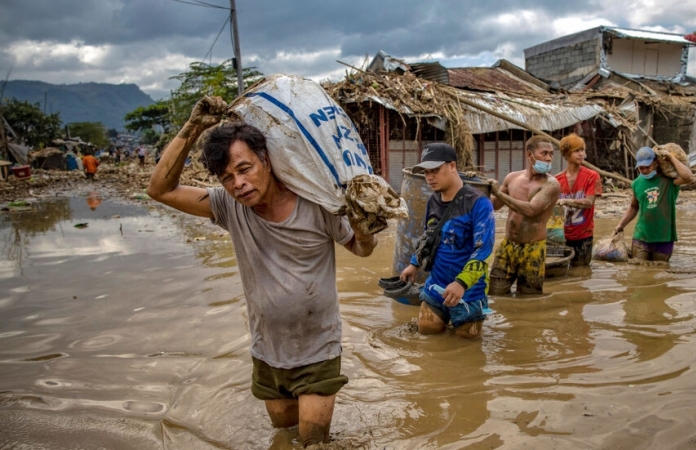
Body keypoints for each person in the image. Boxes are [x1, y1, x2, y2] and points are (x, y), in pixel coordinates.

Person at [146, 96, 378, 446]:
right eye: (227, 177)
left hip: (319, 350)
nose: (238, 183)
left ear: (266, 160)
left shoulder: (317, 204)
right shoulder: (227, 207)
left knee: (313, 442)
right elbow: (159, 190)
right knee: (283, 436)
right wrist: (193, 127)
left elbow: (362, 249)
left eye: (245, 169)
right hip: (267, 352)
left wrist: (364, 229)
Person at [399, 143, 495, 340]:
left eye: (435, 170)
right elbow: (428, 237)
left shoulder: (479, 203)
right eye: (426, 172)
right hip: (436, 287)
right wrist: (414, 264)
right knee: (427, 335)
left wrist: (461, 283)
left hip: (469, 294)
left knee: (466, 345)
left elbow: (483, 251)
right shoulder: (432, 201)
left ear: (452, 166)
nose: (429, 177)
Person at [488, 136, 561, 295]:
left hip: (533, 249)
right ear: (529, 155)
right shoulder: (512, 178)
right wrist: (481, 187)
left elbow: (531, 210)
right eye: (544, 153)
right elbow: (494, 205)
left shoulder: (552, 184)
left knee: (529, 299)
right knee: (495, 294)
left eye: (551, 154)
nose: (549, 158)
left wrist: (498, 193)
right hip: (508, 245)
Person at [613, 146, 693, 262]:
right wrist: (620, 225)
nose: (645, 170)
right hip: (641, 236)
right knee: (638, 268)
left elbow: (688, 177)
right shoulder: (636, 183)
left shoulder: (669, 181)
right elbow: (634, 206)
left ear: (655, 163)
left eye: (648, 167)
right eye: (641, 168)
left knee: (661, 269)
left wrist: (670, 158)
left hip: (664, 237)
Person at [555, 134, 602, 266]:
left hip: (583, 236)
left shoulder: (592, 176)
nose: (581, 154)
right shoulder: (556, 180)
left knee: (582, 271)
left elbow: (589, 202)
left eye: (582, 150)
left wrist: (566, 201)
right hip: (561, 236)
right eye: (577, 151)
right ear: (566, 154)